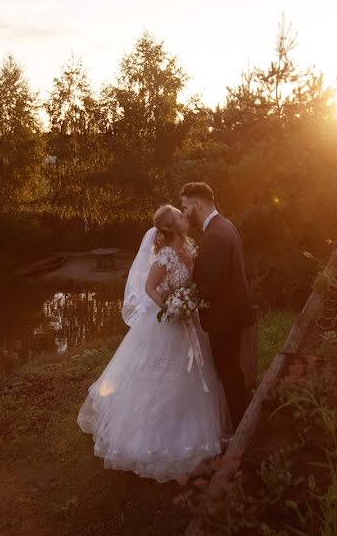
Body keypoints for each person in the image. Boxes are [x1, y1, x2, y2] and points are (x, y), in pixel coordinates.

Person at [77, 205, 232, 482]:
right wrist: (171, 308)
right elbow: (149, 288)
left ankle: (193, 435)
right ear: (171, 226)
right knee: (162, 375)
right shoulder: (165, 256)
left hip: (190, 320)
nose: (187, 217)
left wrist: (188, 306)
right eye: (181, 216)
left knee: (193, 376)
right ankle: (148, 438)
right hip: (168, 322)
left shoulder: (191, 247)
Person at [180, 182, 255, 429]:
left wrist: (185, 300)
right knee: (231, 371)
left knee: (228, 373)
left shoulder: (214, 235)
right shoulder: (224, 225)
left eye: (185, 206)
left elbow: (211, 286)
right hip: (232, 313)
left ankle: (240, 429)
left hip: (224, 317)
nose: (184, 211)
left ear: (197, 204)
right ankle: (242, 422)